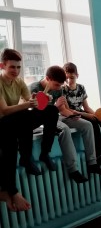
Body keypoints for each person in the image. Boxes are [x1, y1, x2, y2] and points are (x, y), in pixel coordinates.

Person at [30, 66, 101, 183]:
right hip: (43, 120)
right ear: (47, 78)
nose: (59, 88)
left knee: (87, 125)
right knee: (65, 129)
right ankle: (73, 170)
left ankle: (92, 163)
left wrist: (72, 115)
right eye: (57, 85)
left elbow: (62, 110)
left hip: (58, 115)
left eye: (60, 85)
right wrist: (55, 107)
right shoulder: (35, 88)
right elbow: (38, 114)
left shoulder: (59, 89)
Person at [0, 48, 59, 176]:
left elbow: (30, 100)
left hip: (18, 121)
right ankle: (26, 158)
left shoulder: (19, 81)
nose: (16, 71)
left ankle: (45, 153)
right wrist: (28, 104)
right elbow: (4, 111)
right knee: (24, 115)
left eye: (18, 67)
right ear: (2, 66)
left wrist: (41, 98)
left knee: (52, 110)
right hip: (3, 124)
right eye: (12, 67)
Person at [62, 62, 101, 165]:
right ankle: (99, 155)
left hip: (80, 112)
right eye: (66, 78)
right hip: (72, 115)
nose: (69, 80)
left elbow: (86, 107)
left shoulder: (81, 88)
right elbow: (67, 110)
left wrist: (98, 115)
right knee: (93, 122)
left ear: (77, 76)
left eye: (72, 78)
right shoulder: (62, 90)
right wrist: (90, 116)